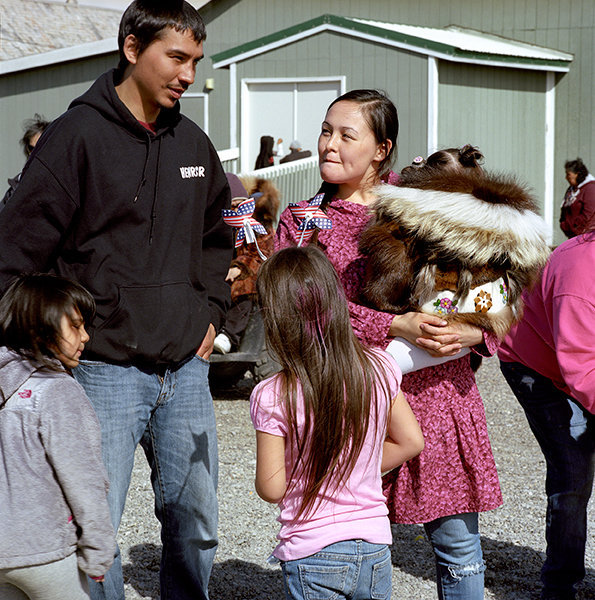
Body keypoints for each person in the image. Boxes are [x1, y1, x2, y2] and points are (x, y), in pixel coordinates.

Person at [0, 2, 233, 600]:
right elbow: (13, 253)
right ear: (132, 48)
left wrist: (210, 312)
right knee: (94, 522)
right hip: (100, 370)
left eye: (195, 61)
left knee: (197, 525)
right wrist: (42, 340)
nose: (187, 73)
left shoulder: (194, 143)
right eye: (175, 58)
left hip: (185, 369)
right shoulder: (75, 138)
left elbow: (218, 236)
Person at [276, 89, 504, 599]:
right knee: (341, 543)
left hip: (438, 396)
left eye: (346, 135)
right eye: (325, 131)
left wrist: (476, 331)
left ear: (383, 149)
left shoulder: (426, 206)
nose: (329, 145)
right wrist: (393, 326)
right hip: (351, 399)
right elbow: (300, 309)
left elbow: (493, 281)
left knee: (459, 553)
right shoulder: (300, 222)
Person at [250, 245, 424, 600]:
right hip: (375, 545)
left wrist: (322, 471)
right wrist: (352, 469)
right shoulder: (379, 368)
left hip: (311, 549)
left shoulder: (272, 394)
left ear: (275, 316)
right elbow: (410, 442)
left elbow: (271, 488)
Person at [0, 273, 115, 600]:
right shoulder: (58, 390)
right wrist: (98, 549)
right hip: (46, 553)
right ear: (41, 328)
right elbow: (84, 478)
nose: (86, 337)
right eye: (76, 326)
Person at [498, 230, 595, 600]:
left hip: (577, 354)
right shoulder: (582, 277)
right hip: (534, 362)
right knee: (572, 472)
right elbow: (582, 369)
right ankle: (559, 585)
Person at [214, 174, 280, 354]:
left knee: (244, 287)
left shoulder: (258, 224)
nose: (236, 210)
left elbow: (262, 253)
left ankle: (228, 335)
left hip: (253, 272)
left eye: (240, 205)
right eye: (232, 206)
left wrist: (238, 268)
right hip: (224, 271)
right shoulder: (219, 225)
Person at [1, 113, 50, 210]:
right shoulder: (17, 183)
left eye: (40, 147)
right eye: (31, 148)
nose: (34, 153)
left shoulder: (60, 182)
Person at [559, 158, 595, 237]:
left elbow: (588, 214)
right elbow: (564, 209)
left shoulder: (590, 189)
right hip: (573, 236)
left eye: (568, 174)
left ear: (577, 174)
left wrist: (573, 226)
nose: (566, 178)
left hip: (586, 237)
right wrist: (563, 225)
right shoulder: (571, 190)